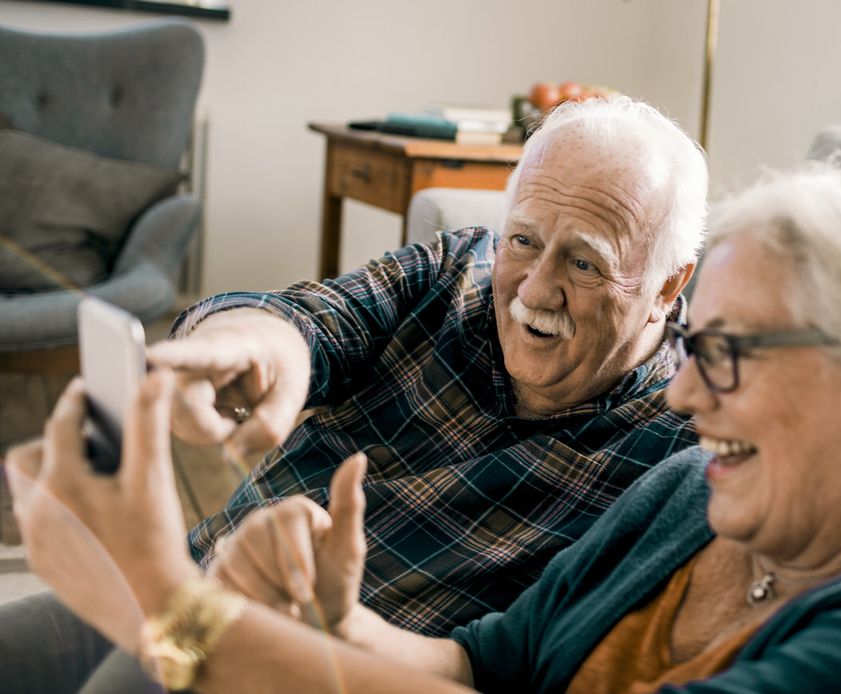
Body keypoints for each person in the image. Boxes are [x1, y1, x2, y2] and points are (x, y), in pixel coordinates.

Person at [8, 166, 841, 691]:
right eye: (691, 352)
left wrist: (168, 602)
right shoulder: (692, 497)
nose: (686, 396)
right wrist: (329, 616)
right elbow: (477, 666)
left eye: (726, 354)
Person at [0, 96, 708, 689]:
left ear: (669, 286)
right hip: (194, 577)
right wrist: (242, 345)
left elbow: (510, 667)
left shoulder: (679, 451)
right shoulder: (458, 271)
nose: (533, 288)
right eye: (524, 240)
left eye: (584, 262)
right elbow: (308, 321)